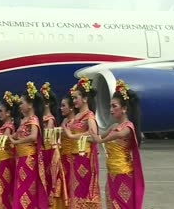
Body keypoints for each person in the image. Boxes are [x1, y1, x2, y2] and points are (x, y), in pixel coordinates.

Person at [89, 79, 145, 209]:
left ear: (124, 109)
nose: (111, 110)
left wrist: (101, 140)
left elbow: (118, 135)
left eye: (114, 106)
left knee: (122, 205)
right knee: (112, 205)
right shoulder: (114, 126)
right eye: (110, 106)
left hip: (123, 174)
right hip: (112, 174)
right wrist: (79, 136)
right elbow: (98, 136)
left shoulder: (129, 127)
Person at [62, 76, 102, 208]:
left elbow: (93, 135)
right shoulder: (77, 116)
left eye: (76, 97)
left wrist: (72, 136)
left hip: (84, 157)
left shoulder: (89, 115)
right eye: (73, 98)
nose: (74, 101)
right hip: (74, 157)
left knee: (83, 189)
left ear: (85, 99)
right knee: (75, 188)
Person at [9, 82, 49, 209]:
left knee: (27, 189)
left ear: (30, 104)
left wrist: (16, 142)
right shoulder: (23, 120)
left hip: (29, 160)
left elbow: (33, 137)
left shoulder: (34, 119)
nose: (20, 106)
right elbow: (15, 135)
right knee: (21, 188)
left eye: (22, 103)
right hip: (21, 159)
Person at [0, 91, 19, 209]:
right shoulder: (4, 127)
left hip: (6, 161)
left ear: (8, 113)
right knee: (0, 186)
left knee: (4, 187)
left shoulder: (9, 127)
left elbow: (5, 140)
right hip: (1, 161)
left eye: (1, 111)